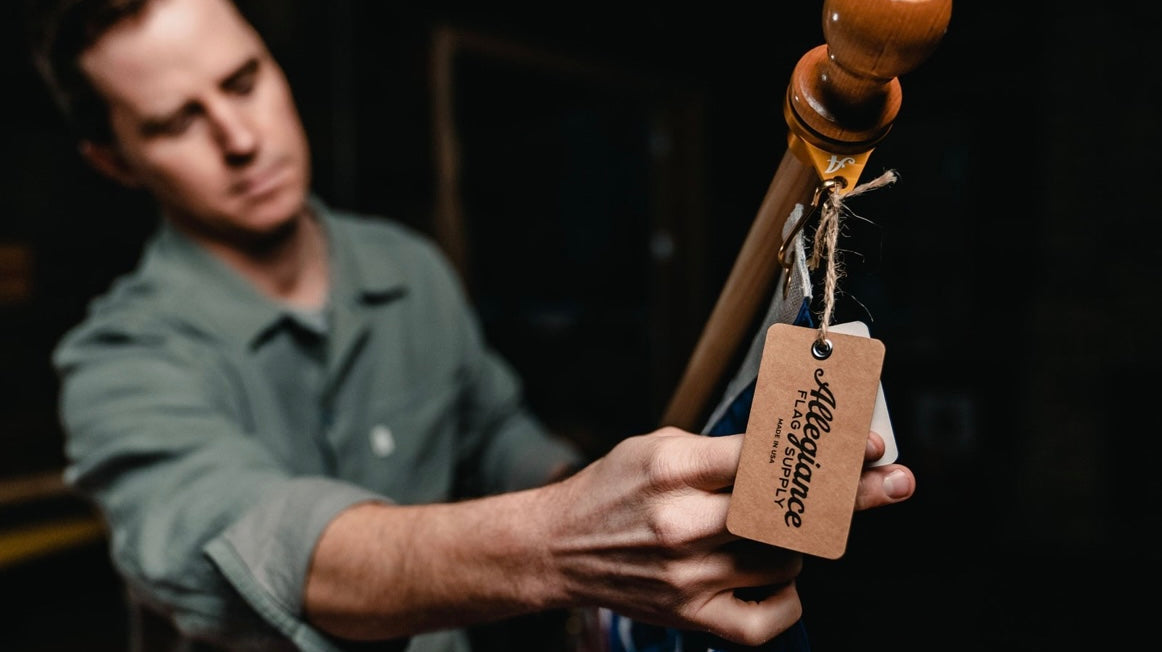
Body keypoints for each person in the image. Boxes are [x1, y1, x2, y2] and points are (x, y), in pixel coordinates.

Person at [28, 0, 917, 650]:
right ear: (115, 160)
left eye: (243, 80)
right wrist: (566, 544)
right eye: (178, 120)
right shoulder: (117, 360)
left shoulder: (405, 266)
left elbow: (494, 431)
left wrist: (624, 509)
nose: (239, 138)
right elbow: (271, 546)